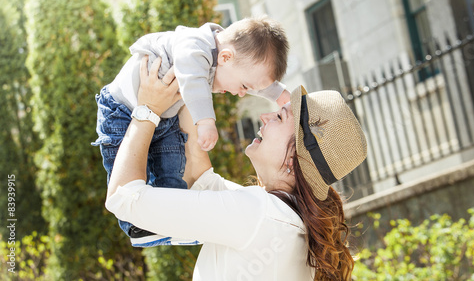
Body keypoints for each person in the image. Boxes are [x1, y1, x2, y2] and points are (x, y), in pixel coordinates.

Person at [105, 56, 368, 280]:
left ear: (293, 161)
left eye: (279, 116)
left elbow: (124, 198)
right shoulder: (283, 220)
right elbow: (200, 175)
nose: (265, 116)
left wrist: (148, 110)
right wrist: (195, 78)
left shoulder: (258, 214)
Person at [92, 16, 290, 247]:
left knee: (173, 161)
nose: (242, 93)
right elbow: (193, 81)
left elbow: (251, 74)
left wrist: (280, 94)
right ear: (225, 57)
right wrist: (205, 121)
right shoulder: (195, 45)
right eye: (245, 87)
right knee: (121, 160)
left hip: (163, 115)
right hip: (121, 110)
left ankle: (169, 220)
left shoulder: (227, 58)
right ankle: (135, 225)